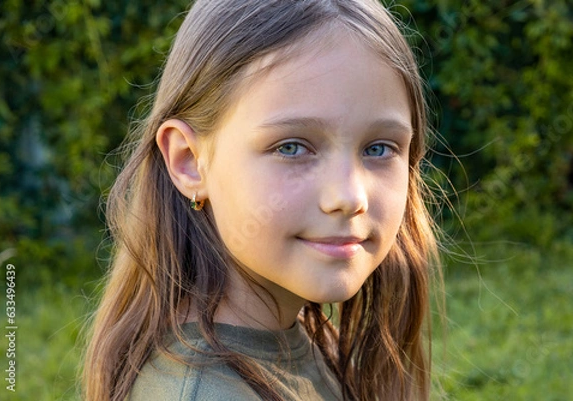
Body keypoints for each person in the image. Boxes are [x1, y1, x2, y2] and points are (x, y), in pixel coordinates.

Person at [83, 0, 441, 400]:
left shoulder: (291, 334)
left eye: (378, 148)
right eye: (291, 147)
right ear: (189, 162)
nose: (348, 196)